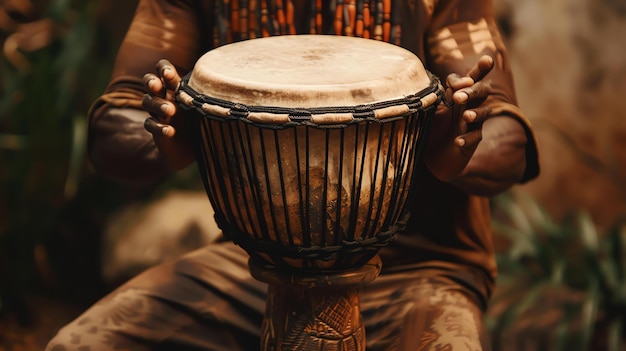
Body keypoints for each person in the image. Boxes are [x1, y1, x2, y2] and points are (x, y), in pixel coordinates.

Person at [46, 0, 539, 350]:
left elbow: (507, 138)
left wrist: (448, 143)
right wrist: (173, 137)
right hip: (249, 267)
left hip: (418, 272)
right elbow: (115, 123)